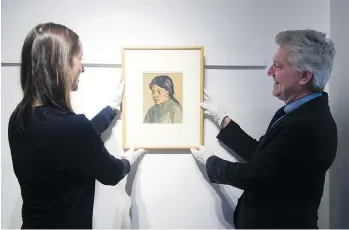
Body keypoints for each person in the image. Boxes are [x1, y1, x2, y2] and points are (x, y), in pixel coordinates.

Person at [190, 29, 337, 229]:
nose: (270, 72)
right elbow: (264, 157)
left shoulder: (308, 124)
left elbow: (257, 175)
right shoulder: (299, 112)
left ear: (304, 76)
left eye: (277, 66)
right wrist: (223, 120)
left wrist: (211, 163)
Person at [8, 22, 146, 229]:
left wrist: (110, 109)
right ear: (61, 63)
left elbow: (70, 140)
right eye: (80, 58)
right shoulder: (73, 128)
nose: (82, 67)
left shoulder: (18, 118)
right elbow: (111, 173)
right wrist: (129, 158)